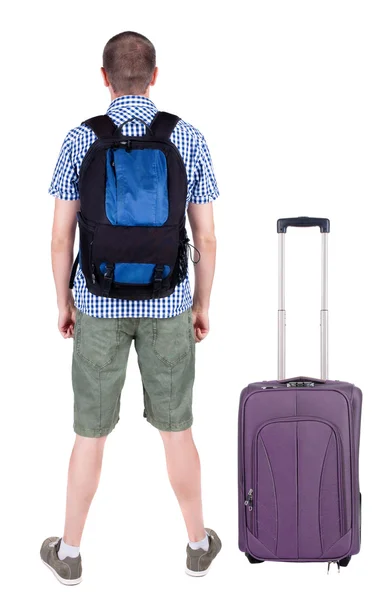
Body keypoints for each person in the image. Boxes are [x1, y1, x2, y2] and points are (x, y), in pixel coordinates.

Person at [40, 31, 221, 585]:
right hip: (168, 303)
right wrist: (200, 303)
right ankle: (196, 544)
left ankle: (69, 554)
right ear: (155, 76)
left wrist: (65, 300)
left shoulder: (80, 140)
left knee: (89, 434)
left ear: (105, 79)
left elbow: (59, 239)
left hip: (97, 302)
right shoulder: (186, 137)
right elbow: (207, 239)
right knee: (177, 431)